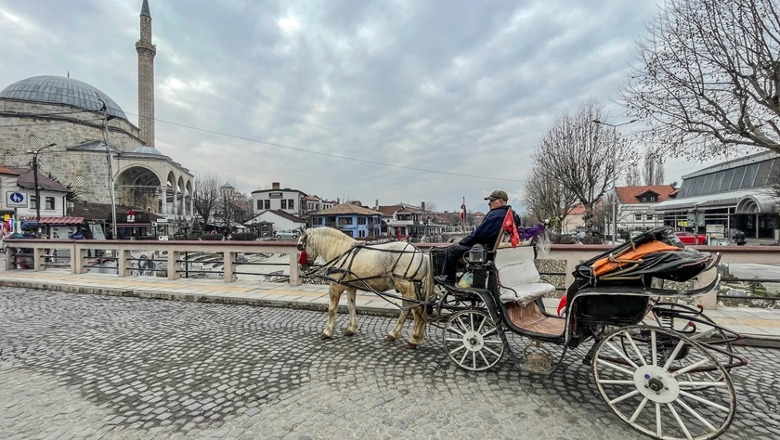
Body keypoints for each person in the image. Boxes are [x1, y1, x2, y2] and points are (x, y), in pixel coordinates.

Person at [434, 190, 521, 284]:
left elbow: (478, 235)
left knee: (453, 249)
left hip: (487, 250)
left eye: (492, 201)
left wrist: (462, 242)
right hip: (499, 250)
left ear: (500, 201)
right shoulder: (512, 214)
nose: (489, 203)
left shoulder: (495, 214)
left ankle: (449, 278)